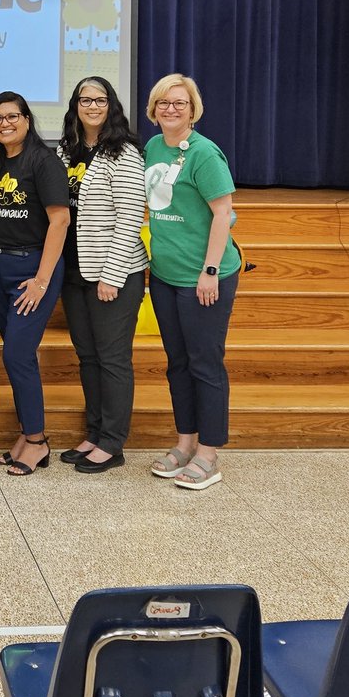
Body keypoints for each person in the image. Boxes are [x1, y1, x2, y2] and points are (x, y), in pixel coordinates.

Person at [143, 72, 241, 491]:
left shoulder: (204, 153)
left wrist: (210, 271)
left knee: (205, 364)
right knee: (178, 363)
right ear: (153, 108)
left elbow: (224, 213)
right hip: (165, 275)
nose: (171, 109)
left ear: (192, 109)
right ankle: (185, 443)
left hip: (205, 277)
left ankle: (209, 453)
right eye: (164, 102)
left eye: (179, 103)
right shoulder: (151, 147)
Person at [56, 77, 148, 474]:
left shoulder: (124, 151)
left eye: (100, 99)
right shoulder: (66, 150)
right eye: (84, 99)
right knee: (87, 356)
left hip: (116, 272)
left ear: (111, 105)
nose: (92, 105)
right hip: (75, 270)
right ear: (75, 105)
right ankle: (93, 432)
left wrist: (111, 276)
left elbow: (130, 219)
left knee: (112, 359)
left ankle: (113, 442)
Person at [0, 91, 70, 476]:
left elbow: (60, 221)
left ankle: (36, 441)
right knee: (19, 355)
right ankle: (25, 434)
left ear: (28, 120)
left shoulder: (44, 161)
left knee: (16, 355)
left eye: (13, 116)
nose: (5, 123)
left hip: (33, 270)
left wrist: (41, 280)